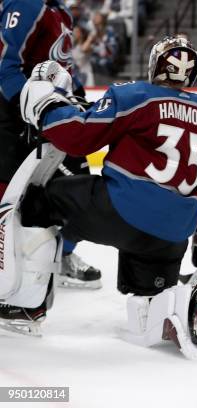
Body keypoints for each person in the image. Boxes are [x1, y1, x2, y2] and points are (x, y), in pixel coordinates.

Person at [0, 36, 197, 359]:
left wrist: (47, 105)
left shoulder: (136, 96)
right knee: (146, 300)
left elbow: (79, 136)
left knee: (41, 202)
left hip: (121, 211)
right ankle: (171, 310)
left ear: (156, 65)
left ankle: (24, 306)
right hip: (171, 238)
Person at [0, 0, 102, 289]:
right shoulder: (26, 4)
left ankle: (62, 256)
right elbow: (5, 66)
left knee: (78, 188)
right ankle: (9, 269)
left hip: (53, 114)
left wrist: (77, 99)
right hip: (18, 117)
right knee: (10, 195)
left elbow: (62, 69)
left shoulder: (61, 11)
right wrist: (29, 107)